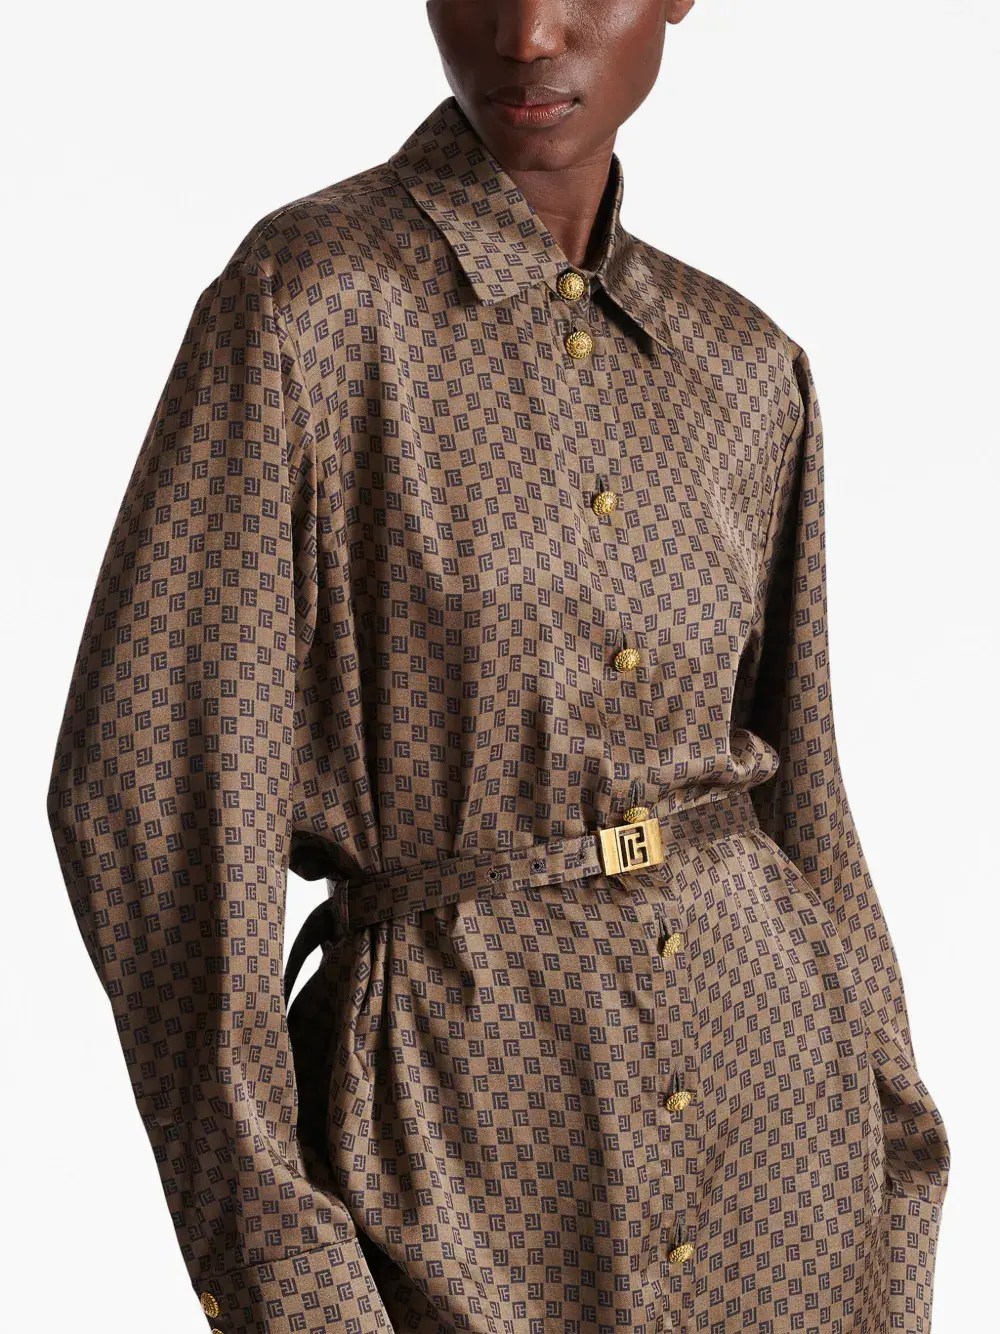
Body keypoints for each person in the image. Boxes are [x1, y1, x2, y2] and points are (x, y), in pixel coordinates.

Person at [46, 3, 950, 1332]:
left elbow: (804, 798)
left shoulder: (745, 368)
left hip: (780, 1149)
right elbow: (149, 792)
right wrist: (277, 1251)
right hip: (457, 1148)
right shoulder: (304, 306)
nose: (528, 35)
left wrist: (896, 1138)